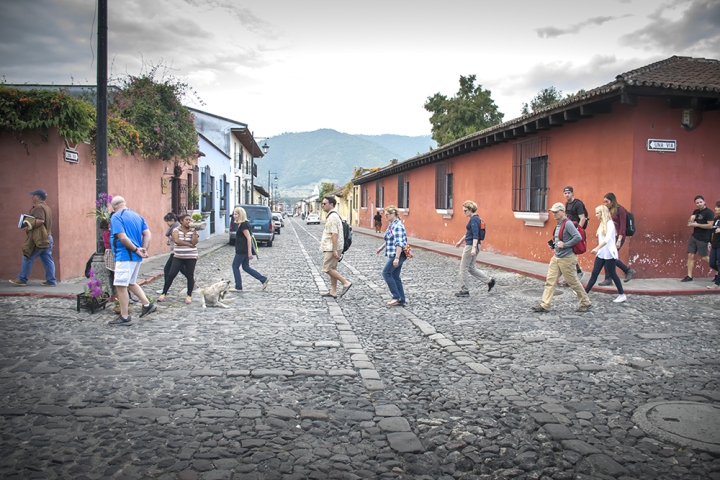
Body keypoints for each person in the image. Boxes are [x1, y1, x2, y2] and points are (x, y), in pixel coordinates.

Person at [532, 203, 592, 313]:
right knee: (550, 281)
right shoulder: (559, 224)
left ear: (562, 212)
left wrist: (565, 245)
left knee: (573, 281)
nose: (553, 214)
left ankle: (586, 302)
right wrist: (554, 246)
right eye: (552, 212)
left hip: (567, 258)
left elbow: (577, 237)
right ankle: (545, 305)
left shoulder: (567, 223)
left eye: (556, 212)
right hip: (557, 257)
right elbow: (560, 240)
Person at [108, 196, 156, 326]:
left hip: (125, 255)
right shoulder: (137, 216)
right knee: (130, 283)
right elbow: (147, 234)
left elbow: (122, 237)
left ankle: (124, 317)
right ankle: (147, 304)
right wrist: (143, 249)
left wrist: (135, 249)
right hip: (135, 257)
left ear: (113, 207)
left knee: (121, 286)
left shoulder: (116, 216)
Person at [10, 189, 57, 287]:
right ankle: (51, 281)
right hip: (48, 237)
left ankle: (22, 279)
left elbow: (40, 220)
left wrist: (28, 225)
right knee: (47, 259)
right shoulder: (46, 207)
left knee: (27, 256)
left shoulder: (38, 207)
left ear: (38, 197)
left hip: (40, 238)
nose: (32, 197)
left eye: (33, 195)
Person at [584, 205, 626, 303]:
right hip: (602, 253)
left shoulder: (610, 224)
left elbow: (607, 240)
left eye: (598, 213)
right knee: (594, 273)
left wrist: (597, 248)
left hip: (609, 253)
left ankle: (622, 294)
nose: (596, 215)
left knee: (613, 274)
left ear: (603, 213)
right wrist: (599, 249)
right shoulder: (602, 224)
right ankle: (585, 293)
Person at [454, 200, 495, 297]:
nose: (464, 213)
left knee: (463, 268)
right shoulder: (475, 219)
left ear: (470, 210)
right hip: (473, 244)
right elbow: (469, 233)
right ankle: (489, 281)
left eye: (465, 211)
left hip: (471, 245)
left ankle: (464, 290)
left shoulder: (473, 219)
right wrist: (460, 242)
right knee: (471, 268)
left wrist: (473, 248)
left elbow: (475, 235)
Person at [158, 214, 198, 303]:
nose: (189, 221)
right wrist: (189, 244)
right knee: (171, 274)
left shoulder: (193, 231)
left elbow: (194, 242)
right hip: (178, 256)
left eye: (190, 220)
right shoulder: (175, 230)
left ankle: (189, 295)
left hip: (191, 256)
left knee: (190, 275)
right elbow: (177, 241)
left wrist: (195, 231)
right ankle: (164, 293)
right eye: (187, 220)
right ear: (181, 221)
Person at [598, 193, 636, 285]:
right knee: (608, 256)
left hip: (618, 237)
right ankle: (609, 278)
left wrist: (619, 239)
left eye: (607, 201)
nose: (605, 203)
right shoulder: (607, 210)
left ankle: (625, 271)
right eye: (604, 202)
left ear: (612, 201)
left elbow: (623, 226)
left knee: (611, 257)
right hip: (609, 237)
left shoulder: (620, 209)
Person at [319, 197, 352, 299]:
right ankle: (333, 291)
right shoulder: (334, 215)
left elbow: (334, 234)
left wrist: (334, 250)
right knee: (333, 268)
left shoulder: (332, 217)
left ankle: (345, 282)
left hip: (332, 247)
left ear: (332, 204)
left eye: (325, 204)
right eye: (322, 204)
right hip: (335, 246)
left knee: (327, 268)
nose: (323, 205)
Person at [230, 207, 269, 292]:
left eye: (236, 214)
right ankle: (263, 279)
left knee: (235, 266)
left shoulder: (244, 225)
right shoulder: (241, 224)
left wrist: (249, 252)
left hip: (242, 250)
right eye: (234, 214)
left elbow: (248, 238)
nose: (234, 216)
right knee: (246, 267)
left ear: (240, 215)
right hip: (242, 249)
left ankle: (238, 287)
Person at [376, 205, 408, 306]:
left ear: (393, 214)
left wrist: (397, 258)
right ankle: (401, 299)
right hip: (395, 253)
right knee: (395, 275)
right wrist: (381, 248)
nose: (386, 217)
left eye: (387, 215)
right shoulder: (392, 224)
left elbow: (398, 243)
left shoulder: (397, 226)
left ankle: (396, 296)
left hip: (397, 253)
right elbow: (390, 239)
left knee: (386, 273)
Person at [558, 186, 588, 285]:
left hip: (575, 231)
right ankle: (575, 273)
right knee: (568, 253)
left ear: (572, 193)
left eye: (569, 193)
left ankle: (577, 273)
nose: (567, 195)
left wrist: (577, 231)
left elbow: (582, 218)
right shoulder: (566, 204)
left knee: (570, 253)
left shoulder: (578, 204)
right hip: (569, 230)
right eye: (565, 193)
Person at [682, 195, 715, 282]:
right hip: (694, 236)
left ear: (704, 202)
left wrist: (697, 225)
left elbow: (710, 226)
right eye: (697, 203)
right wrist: (691, 218)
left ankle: (717, 272)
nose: (699, 204)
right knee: (690, 255)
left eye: (700, 202)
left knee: (704, 257)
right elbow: (689, 223)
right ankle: (689, 276)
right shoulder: (696, 211)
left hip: (703, 238)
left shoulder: (709, 212)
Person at [162, 213, 188, 283]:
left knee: (167, 269)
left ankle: (166, 288)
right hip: (177, 251)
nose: (167, 223)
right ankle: (194, 284)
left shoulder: (176, 228)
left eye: (167, 221)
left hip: (176, 252)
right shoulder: (173, 228)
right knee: (183, 270)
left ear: (172, 220)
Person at [708, 200, 720, 289]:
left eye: (718, 207)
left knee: (719, 264)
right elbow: (712, 232)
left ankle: (717, 283)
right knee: (712, 263)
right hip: (715, 244)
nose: (715, 208)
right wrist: (709, 242)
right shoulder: (716, 219)